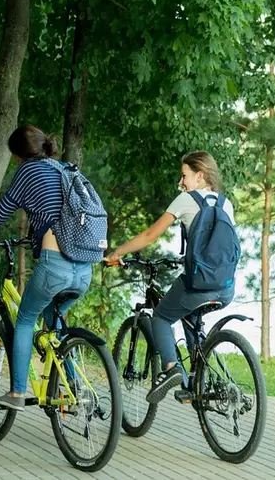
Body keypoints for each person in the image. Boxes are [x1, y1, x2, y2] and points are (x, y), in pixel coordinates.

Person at [0, 125, 93, 411]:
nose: (14, 162)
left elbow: (5, 207)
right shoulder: (62, 169)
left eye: (14, 156)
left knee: (24, 320)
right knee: (54, 321)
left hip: (55, 267)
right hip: (84, 270)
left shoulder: (29, 171)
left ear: (20, 154)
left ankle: (17, 392)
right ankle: (73, 389)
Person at [105, 151, 236, 404]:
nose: (181, 182)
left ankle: (172, 368)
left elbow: (149, 236)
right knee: (190, 314)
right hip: (226, 287)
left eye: (185, 175)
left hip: (198, 285)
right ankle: (195, 383)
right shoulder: (226, 203)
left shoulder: (185, 200)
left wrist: (117, 252)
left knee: (162, 317)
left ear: (200, 176)